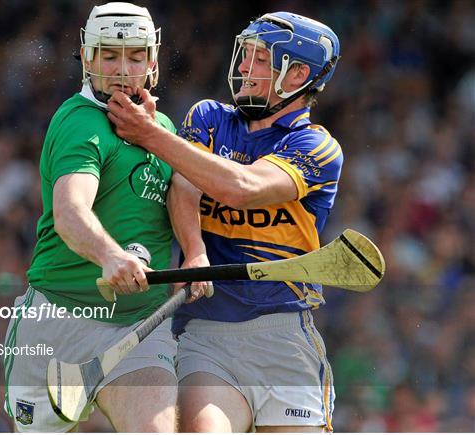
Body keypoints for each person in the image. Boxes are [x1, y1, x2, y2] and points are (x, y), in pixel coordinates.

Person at [107, 11, 342, 432]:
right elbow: (184, 185)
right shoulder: (209, 117)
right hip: (206, 335)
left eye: (260, 60)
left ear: (298, 74)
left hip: (284, 337)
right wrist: (195, 251)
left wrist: (152, 136)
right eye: (244, 55)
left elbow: (244, 187)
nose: (244, 68)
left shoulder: (316, 146)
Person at [3, 2, 207, 432]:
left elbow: (183, 189)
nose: (121, 69)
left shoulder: (163, 129)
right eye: (109, 55)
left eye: (135, 56)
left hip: (138, 325)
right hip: (58, 322)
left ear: (152, 60)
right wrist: (110, 256)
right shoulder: (80, 123)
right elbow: (71, 212)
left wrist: (194, 253)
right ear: (87, 56)